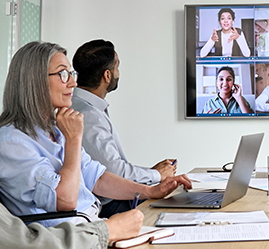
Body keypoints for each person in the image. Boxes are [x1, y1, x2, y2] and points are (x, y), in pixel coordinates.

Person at [0, 42, 192, 227]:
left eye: (71, 74)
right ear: (35, 81)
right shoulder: (12, 142)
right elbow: (64, 200)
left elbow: (97, 178)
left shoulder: (54, 129)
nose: (74, 83)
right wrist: (74, 139)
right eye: (63, 74)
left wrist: (150, 190)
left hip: (93, 226)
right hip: (69, 238)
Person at [70, 39, 178, 218]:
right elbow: (113, 171)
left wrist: (151, 175)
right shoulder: (88, 116)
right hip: (109, 205)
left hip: (111, 198)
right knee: (174, 204)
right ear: (107, 75)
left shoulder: (83, 106)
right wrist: (156, 175)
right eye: (117, 67)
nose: (118, 73)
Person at [0, 202, 142, 249]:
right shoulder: (13, 142)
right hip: (82, 232)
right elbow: (27, 243)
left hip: (89, 226)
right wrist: (108, 230)